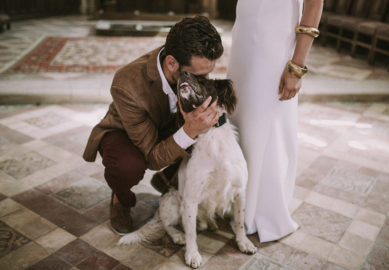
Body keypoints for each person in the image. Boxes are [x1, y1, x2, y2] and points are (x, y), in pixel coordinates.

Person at [83, 16, 223, 235]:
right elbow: (152, 157)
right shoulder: (126, 83)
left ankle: (168, 179)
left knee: (216, 134)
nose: (205, 81)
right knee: (128, 167)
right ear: (171, 63)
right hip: (125, 133)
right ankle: (121, 198)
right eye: (199, 76)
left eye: (208, 73)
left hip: (170, 125)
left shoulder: (185, 59)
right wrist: (190, 130)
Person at [227, 0, 323, 242]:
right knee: (239, 119)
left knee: (261, 127)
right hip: (245, 36)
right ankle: (235, 201)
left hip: (272, 44)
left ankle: (259, 209)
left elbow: (314, 4)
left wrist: (297, 66)